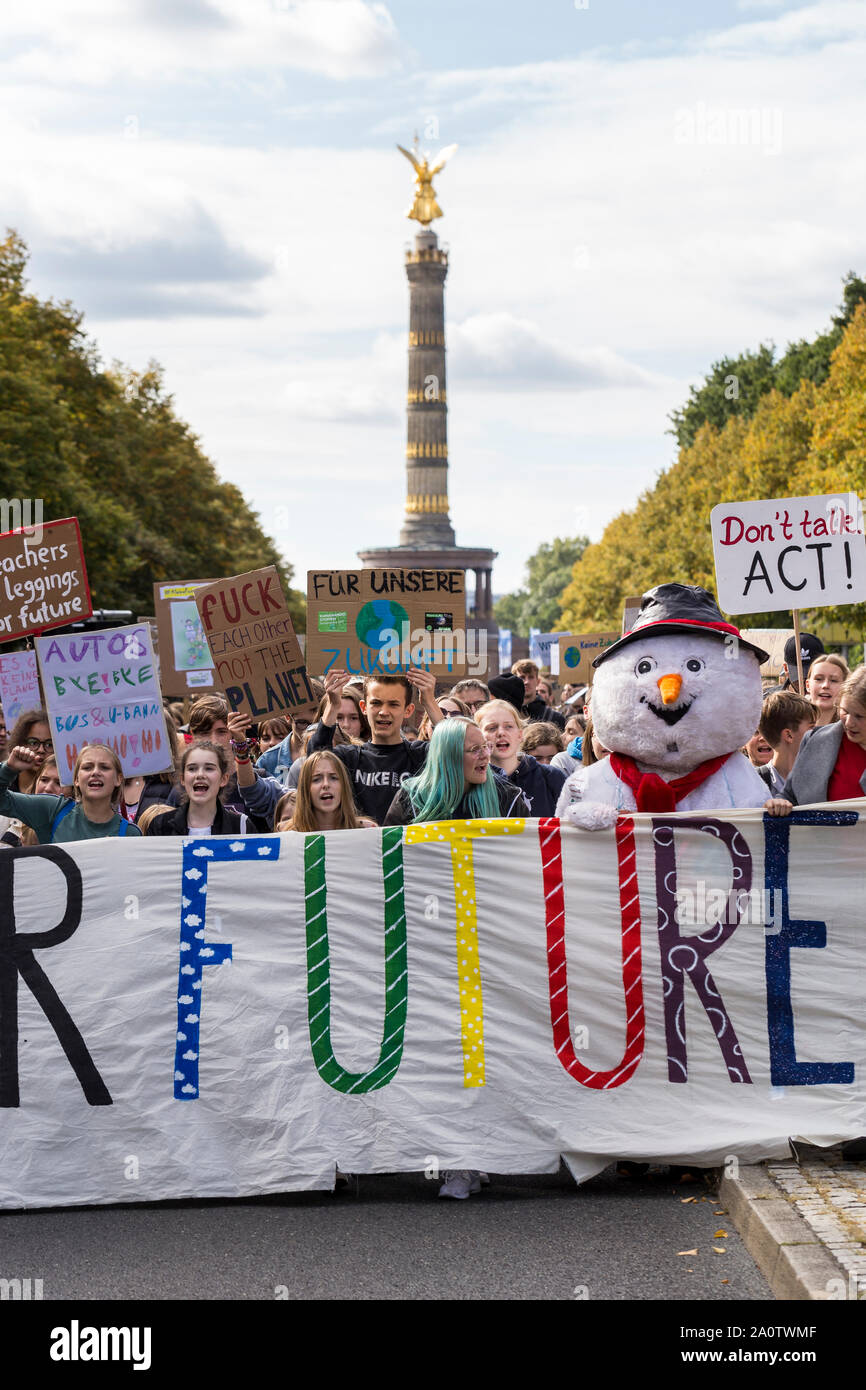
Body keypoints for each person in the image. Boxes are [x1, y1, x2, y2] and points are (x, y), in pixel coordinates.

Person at [306, 668, 445, 825]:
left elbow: (455, 754)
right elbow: (314, 761)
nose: (384, 712)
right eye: (376, 703)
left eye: (393, 704)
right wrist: (333, 705)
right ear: (364, 708)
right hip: (360, 846)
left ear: (408, 710)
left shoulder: (421, 756)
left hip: (409, 848)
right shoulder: (349, 758)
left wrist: (430, 702)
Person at [384, 716, 529, 826]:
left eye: (485, 746)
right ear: (449, 756)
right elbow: (391, 854)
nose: (485, 755)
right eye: (474, 750)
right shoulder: (412, 797)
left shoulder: (507, 798)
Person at [766, 665, 866, 810]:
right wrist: (779, 803)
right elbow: (789, 795)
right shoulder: (815, 740)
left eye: (859, 716)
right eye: (844, 711)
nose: (849, 722)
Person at [0, 742, 142, 842]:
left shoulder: (130, 834)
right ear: (76, 780)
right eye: (87, 767)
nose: (95, 772)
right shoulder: (53, 810)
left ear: (118, 779)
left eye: (104, 767)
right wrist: (9, 769)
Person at [476, 699, 566, 816]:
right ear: (479, 736)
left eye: (508, 726)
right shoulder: (473, 781)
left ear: (520, 735)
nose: (501, 733)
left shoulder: (551, 777)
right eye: (492, 728)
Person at [148, 742, 250, 837]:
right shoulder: (160, 825)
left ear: (223, 779)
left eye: (209, 768)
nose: (200, 775)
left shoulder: (241, 827)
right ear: (182, 778)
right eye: (192, 769)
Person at [284, 751, 376, 832]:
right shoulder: (289, 834)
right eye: (316, 779)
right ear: (305, 789)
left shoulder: (366, 830)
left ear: (343, 786)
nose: (326, 784)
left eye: (333, 778)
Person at [756, 692, 815, 796]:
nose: (817, 732)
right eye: (811, 727)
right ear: (789, 735)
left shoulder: (821, 779)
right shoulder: (754, 783)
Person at [6, 708, 53, 793]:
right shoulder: (5, 785)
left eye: (49, 744)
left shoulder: (64, 793)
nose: (41, 750)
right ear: (19, 743)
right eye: (33, 743)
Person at [509, 660, 566, 730]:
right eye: (522, 677)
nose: (526, 682)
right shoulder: (508, 715)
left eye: (531, 677)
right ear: (514, 681)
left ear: (538, 681)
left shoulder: (555, 717)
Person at [805, 653, 850, 727]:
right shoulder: (792, 724)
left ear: (845, 686)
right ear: (808, 685)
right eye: (819, 679)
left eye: (833, 680)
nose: (825, 685)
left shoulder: (852, 729)